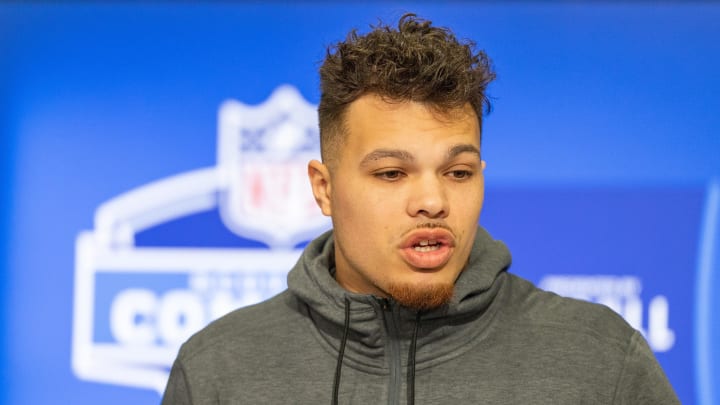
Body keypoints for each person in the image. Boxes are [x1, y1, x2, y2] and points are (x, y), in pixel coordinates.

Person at [162, 14, 679, 404]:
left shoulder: (600, 361)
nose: (433, 202)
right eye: (391, 173)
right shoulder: (217, 370)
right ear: (323, 189)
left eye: (458, 173)